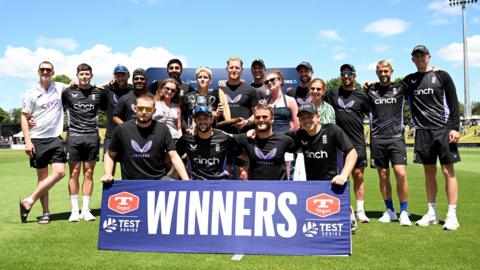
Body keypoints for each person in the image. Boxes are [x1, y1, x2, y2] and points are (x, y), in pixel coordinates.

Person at [404, 45, 461, 230]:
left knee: (447, 172)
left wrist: (454, 127)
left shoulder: (442, 75)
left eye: (422, 56)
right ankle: (432, 213)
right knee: (429, 173)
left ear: (429, 57)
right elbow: (390, 90)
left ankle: (452, 215)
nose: (419, 58)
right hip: (422, 132)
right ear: (412, 60)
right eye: (416, 56)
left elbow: (453, 103)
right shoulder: (409, 80)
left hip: (443, 130)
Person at [19, 61, 68, 224]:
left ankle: (29, 200)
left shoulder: (60, 87)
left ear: (53, 71)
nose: (45, 72)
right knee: (43, 178)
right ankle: (46, 213)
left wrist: (107, 83)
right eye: (42, 69)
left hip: (55, 138)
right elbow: (24, 117)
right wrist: (27, 141)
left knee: (60, 172)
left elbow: (80, 84)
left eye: (48, 69)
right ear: (38, 71)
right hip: (37, 139)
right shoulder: (31, 93)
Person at [101, 93, 189, 182]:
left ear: (154, 111)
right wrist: (107, 174)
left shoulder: (162, 129)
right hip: (131, 183)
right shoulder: (122, 129)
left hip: (158, 181)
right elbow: (109, 155)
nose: (143, 112)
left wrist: (186, 181)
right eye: (140, 108)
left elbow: (174, 156)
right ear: (135, 109)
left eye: (148, 109)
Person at [366, 60, 411, 226]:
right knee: (383, 175)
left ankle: (404, 211)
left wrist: (433, 71)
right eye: (380, 71)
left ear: (391, 71)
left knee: (400, 173)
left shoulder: (400, 88)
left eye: (386, 71)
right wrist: (366, 85)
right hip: (377, 139)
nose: (383, 74)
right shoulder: (370, 90)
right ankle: (390, 210)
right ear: (376, 72)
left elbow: (418, 81)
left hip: (396, 138)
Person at [326, 64, 370, 223]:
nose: (346, 76)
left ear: (354, 75)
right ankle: (342, 208)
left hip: (357, 141)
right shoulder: (333, 93)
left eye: (349, 73)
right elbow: (317, 98)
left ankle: (360, 211)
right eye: (343, 74)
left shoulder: (362, 95)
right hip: (337, 143)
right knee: (338, 176)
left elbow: (370, 111)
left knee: (358, 176)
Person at [62, 63, 105, 222]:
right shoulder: (68, 92)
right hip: (74, 136)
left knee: (88, 172)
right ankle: (74, 210)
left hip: (92, 136)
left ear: (91, 75)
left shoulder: (98, 93)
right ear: (77, 75)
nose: (84, 77)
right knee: (74, 172)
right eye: (82, 74)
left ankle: (86, 210)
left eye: (87, 74)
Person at [234, 105, 297, 180]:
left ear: (272, 119)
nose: (261, 119)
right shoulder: (246, 139)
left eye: (264, 117)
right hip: (256, 189)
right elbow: (226, 139)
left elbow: (304, 147)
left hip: (279, 189)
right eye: (257, 117)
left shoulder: (284, 140)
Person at [176, 106, 239, 180]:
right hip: (196, 184)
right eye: (199, 119)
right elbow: (174, 157)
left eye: (205, 118)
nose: (202, 122)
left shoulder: (224, 138)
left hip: (219, 184)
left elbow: (240, 155)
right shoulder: (186, 139)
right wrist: (185, 178)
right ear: (195, 121)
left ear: (211, 119)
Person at [264, 70, 300, 179]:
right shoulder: (266, 103)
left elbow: (297, 124)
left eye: (272, 80)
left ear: (280, 81)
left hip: (286, 145)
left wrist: (284, 139)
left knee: (288, 177)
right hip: (269, 146)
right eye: (267, 81)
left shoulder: (290, 100)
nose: (269, 82)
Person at [213, 56, 259, 134]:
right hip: (222, 135)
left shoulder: (250, 90)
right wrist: (216, 113)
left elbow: (257, 114)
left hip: (244, 135)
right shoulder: (218, 90)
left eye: (237, 68)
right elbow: (210, 113)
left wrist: (246, 122)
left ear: (242, 70)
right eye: (231, 67)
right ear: (227, 69)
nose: (234, 70)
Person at [102, 65, 133, 154]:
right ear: (114, 77)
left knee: (128, 165)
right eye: (117, 76)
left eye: (123, 75)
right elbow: (94, 88)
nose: (120, 78)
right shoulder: (107, 89)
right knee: (108, 163)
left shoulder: (133, 90)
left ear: (128, 76)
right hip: (111, 134)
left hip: (129, 134)